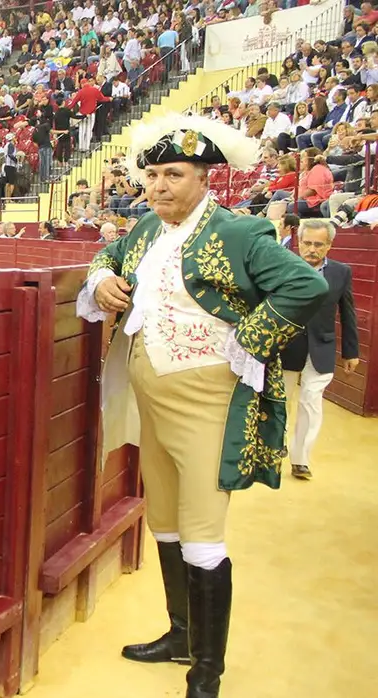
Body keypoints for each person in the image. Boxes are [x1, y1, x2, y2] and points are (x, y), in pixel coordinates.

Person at [76, 113, 330, 698]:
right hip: (151, 400)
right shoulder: (144, 228)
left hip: (206, 402)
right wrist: (99, 283)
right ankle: (182, 636)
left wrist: (252, 338)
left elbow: (306, 285)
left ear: (204, 179)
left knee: (204, 531)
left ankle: (207, 673)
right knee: (164, 520)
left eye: (174, 174)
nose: (159, 185)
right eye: (153, 174)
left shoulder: (237, 232)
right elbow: (107, 255)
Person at [279, 219, 360, 480]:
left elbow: (348, 313)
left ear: (329, 246)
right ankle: (273, 450)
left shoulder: (341, 272)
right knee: (280, 402)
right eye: (307, 243)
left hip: (321, 348)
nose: (311, 249)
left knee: (311, 403)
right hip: (286, 346)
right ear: (298, 242)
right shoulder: (283, 267)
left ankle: (300, 460)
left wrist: (351, 351)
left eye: (318, 244)